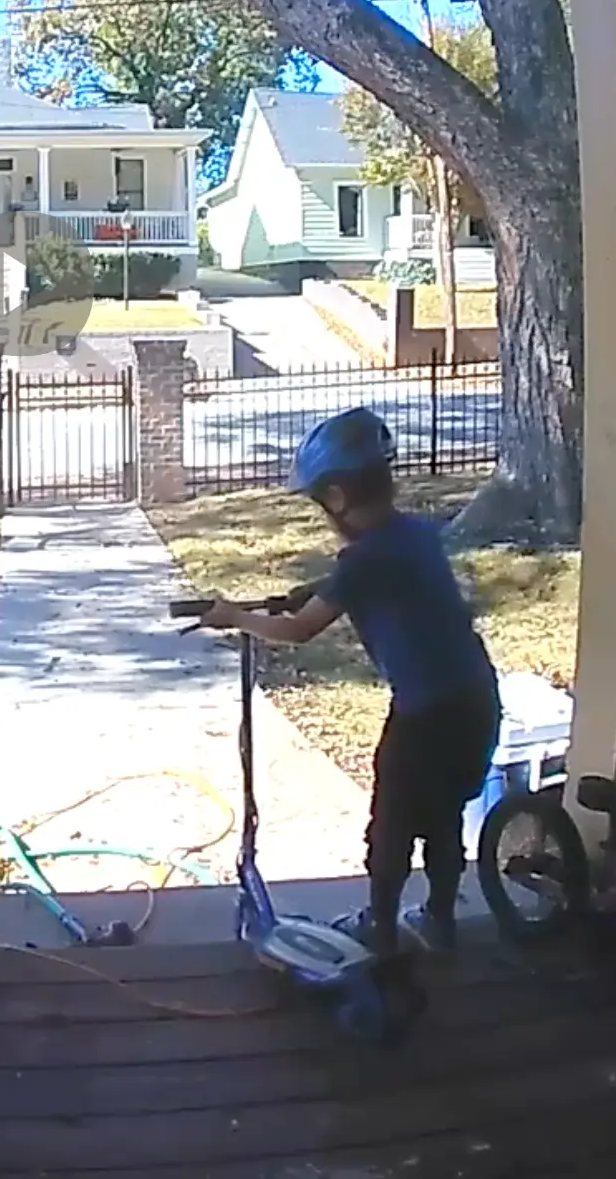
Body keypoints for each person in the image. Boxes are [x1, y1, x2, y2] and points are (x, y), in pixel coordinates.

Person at [199, 407, 500, 956]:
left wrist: (234, 616)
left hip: (425, 714)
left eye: (319, 501)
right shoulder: (415, 534)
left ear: (337, 497)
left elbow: (299, 630)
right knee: (441, 815)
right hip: (475, 699)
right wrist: (314, 586)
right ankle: (438, 919)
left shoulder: (362, 563)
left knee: (391, 825)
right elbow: (365, 577)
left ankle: (381, 931)